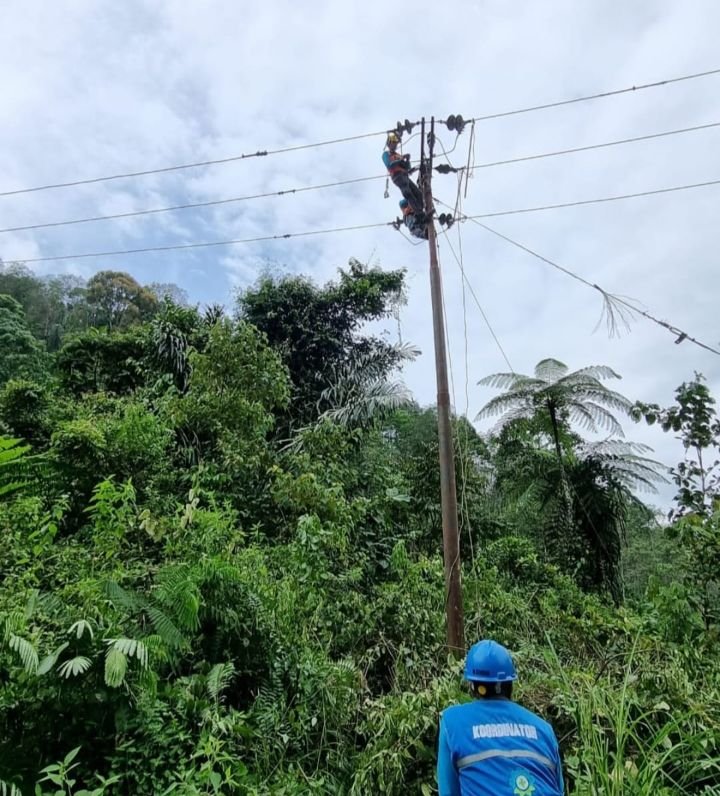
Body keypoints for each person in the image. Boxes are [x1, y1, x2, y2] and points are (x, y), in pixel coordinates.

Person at [437, 640, 564, 796]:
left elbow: (448, 791)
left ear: (472, 685)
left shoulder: (453, 721)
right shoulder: (544, 729)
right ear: (510, 683)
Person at [382, 132, 424, 214]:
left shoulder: (398, 155)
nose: (395, 145)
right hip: (397, 176)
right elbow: (389, 165)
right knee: (408, 193)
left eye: (396, 144)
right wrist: (401, 159)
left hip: (405, 176)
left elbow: (407, 168)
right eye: (394, 143)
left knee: (418, 193)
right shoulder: (386, 154)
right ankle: (419, 214)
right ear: (389, 143)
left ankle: (420, 211)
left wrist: (407, 159)